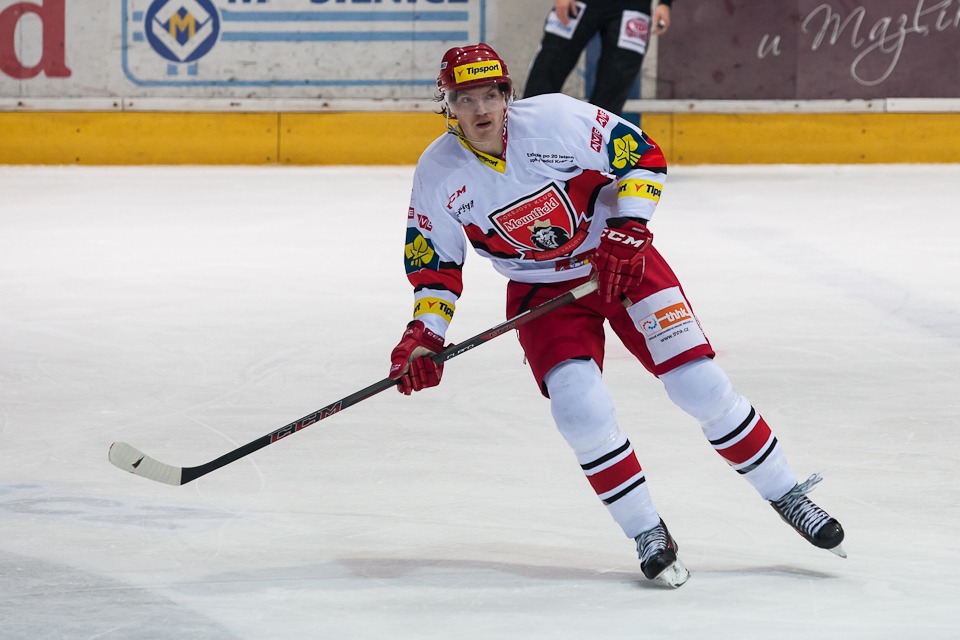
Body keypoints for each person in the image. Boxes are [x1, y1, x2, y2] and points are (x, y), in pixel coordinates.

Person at [388, 43, 845, 588]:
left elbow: (642, 154)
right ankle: (647, 530)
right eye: (466, 99)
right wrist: (426, 334)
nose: (481, 109)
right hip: (541, 292)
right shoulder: (437, 171)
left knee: (699, 385)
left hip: (620, 265)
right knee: (579, 409)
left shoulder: (555, 119)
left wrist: (630, 228)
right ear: (447, 104)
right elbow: (435, 264)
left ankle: (787, 493)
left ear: (508, 95)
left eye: (491, 94)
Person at [524, 0, 672, 116]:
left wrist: (665, 3)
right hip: (581, 2)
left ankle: (595, 143)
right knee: (546, 71)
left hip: (634, 7)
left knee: (616, 84)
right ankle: (524, 134)